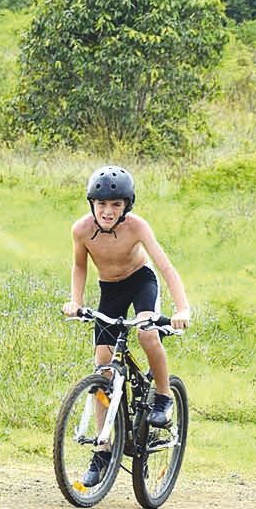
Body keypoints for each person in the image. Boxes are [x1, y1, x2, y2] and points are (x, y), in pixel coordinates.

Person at [60, 165, 192, 488]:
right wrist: (75, 301)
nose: (107, 211)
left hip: (140, 282)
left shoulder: (137, 227)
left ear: (126, 206)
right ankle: (103, 449)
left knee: (147, 332)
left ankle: (163, 395)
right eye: (101, 204)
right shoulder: (81, 230)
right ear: (91, 203)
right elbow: (79, 266)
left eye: (116, 204)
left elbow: (165, 266)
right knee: (103, 366)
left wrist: (182, 308)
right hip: (110, 290)